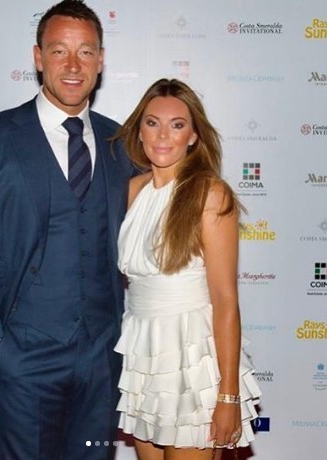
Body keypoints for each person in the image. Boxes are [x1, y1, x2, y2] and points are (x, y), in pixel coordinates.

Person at [0, 1, 132, 459]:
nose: (73, 65)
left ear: (101, 61)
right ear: (38, 57)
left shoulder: (122, 144)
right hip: (22, 356)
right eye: (59, 51)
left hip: (103, 358)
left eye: (86, 52)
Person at [112, 78, 261, 460]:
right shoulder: (131, 191)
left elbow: (225, 300)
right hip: (144, 359)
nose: (163, 135)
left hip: (193, 362)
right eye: (152, 123)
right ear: (139, 131)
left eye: (177, 125)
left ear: (193, 136)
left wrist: (228, 395)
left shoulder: (210, 195)